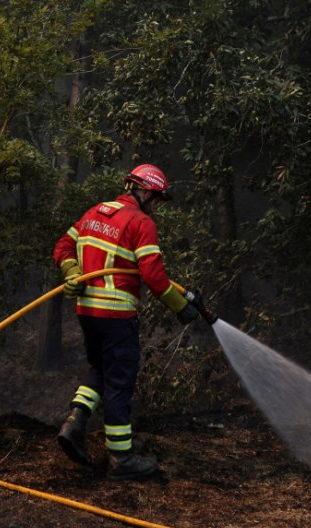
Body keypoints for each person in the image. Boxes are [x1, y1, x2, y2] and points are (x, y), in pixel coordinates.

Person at [52, 163, 202, 480]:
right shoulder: (140, 222)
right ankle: (122, 459)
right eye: (157, 199)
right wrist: (180, 307)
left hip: (87, 311)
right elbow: (154, 276)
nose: (157, 207)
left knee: (100, 368)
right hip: (117, 314)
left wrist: (72, 271)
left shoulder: (95, 212)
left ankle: (74, 423)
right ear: (145, 192)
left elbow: (64, 245)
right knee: (119, 382)